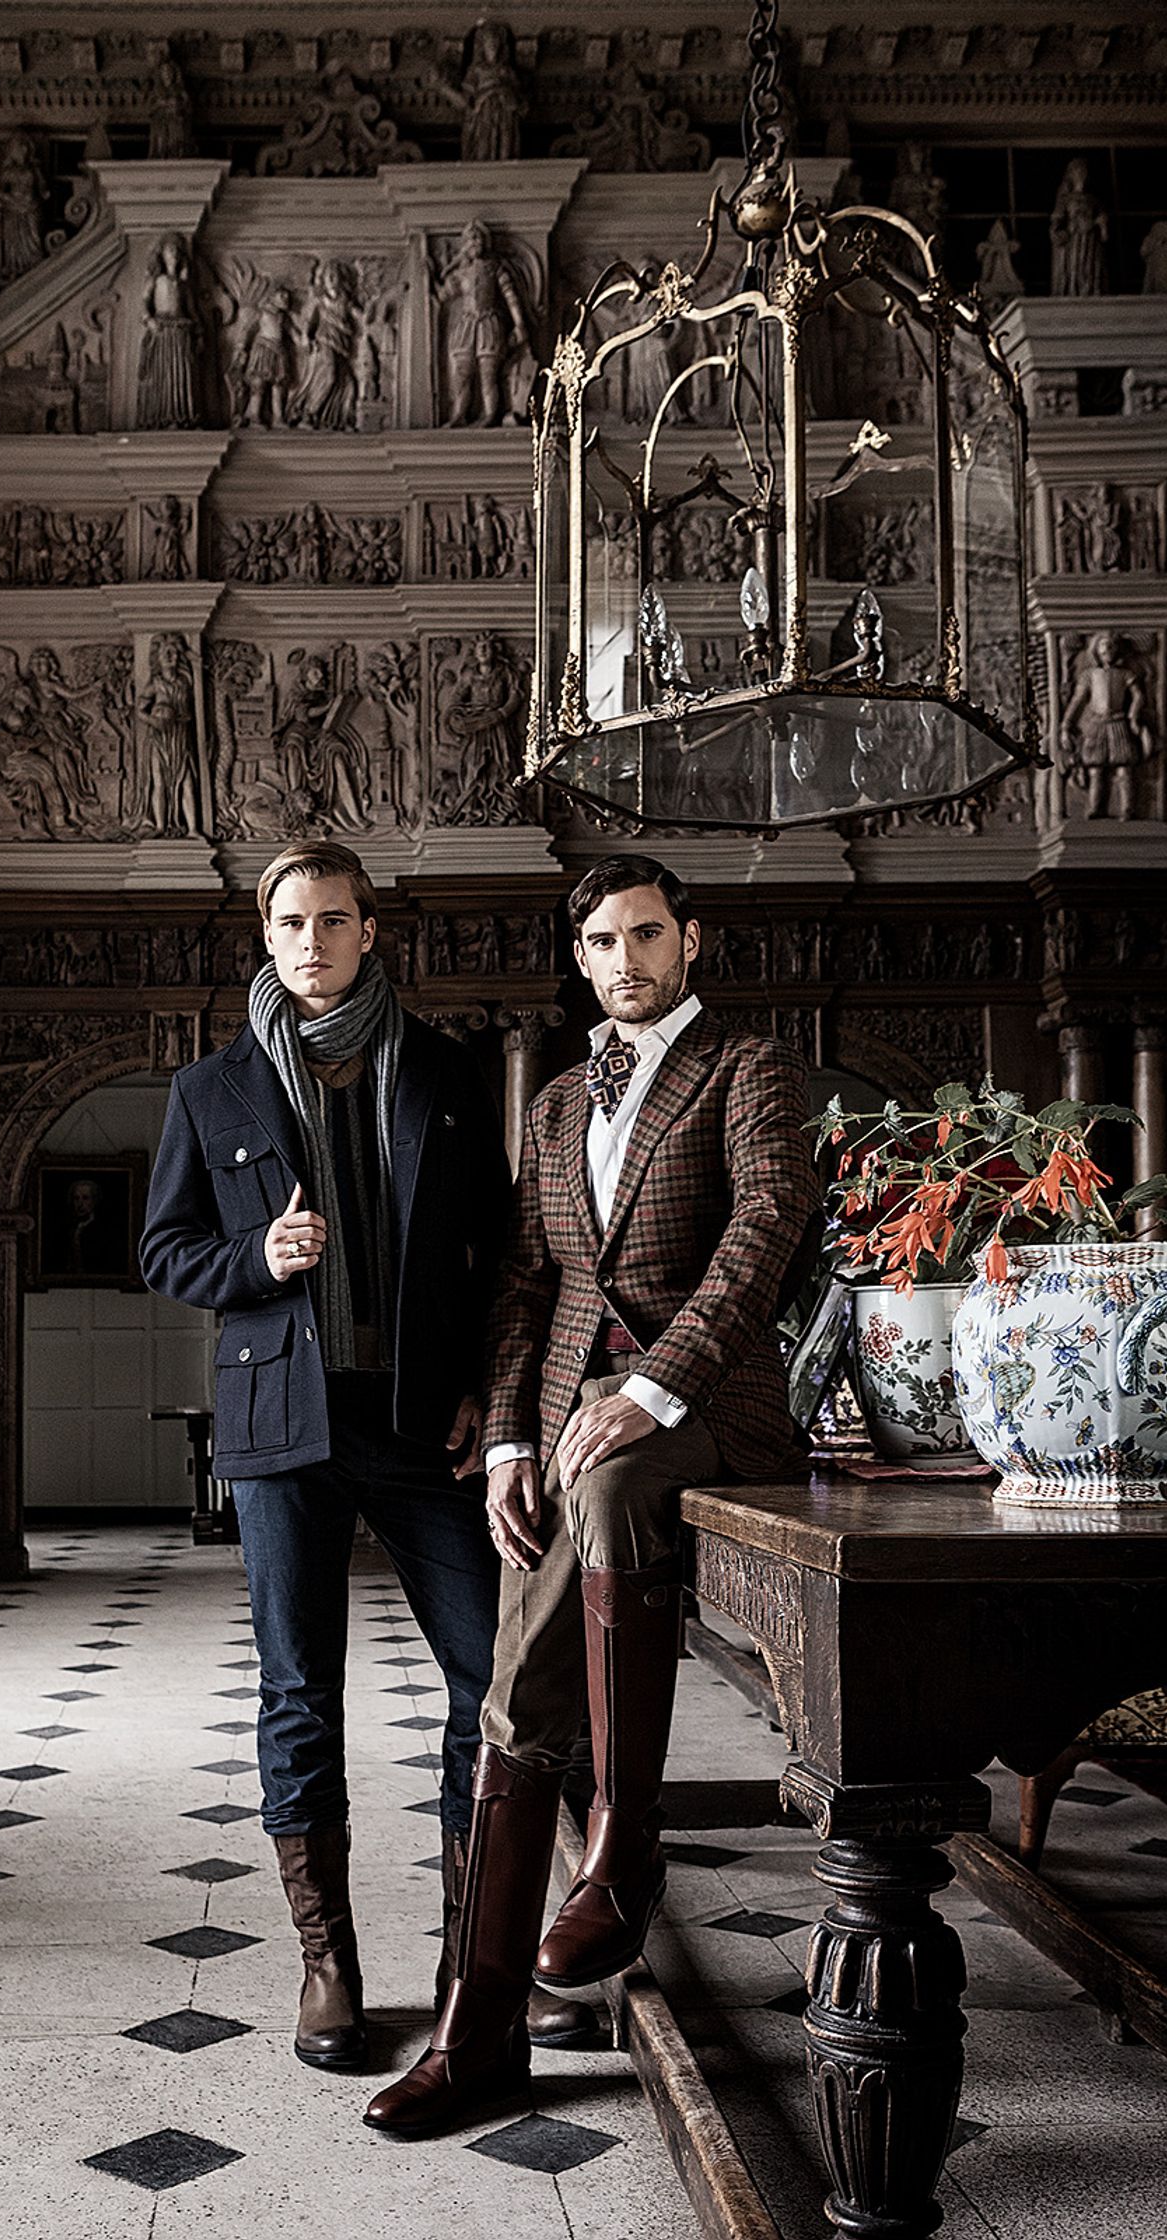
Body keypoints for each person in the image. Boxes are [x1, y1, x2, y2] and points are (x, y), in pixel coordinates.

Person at [366, 854, 820, 2136]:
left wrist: (656, 1386)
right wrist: (508, 1437)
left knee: (612, 1479)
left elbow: (764, 1232)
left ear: (692, 941)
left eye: (646, 934)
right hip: (566, 1416)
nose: (625, 959)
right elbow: (526, 1280)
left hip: (709, 1407)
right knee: (515, 1694)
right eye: (603, 943)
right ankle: (481, 2035)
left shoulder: (750, 1069)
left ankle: (621, 1848)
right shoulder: (558, 1101)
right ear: (579, 960)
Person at [141, 840, 591, 2075]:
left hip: (417, 1424)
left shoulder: (443, 1073)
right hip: (280, 1429)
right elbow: (165, 1251)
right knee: (300, 1690)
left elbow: (507, 1260)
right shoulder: (211, 1089)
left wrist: (490, 1404)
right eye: (290, 920)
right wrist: (253, 1263)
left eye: (333, 920)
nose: (311, 940)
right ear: (266, 932)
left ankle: (474, 1958)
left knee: (491, 1683)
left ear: (368, 931)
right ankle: (326, 1965)